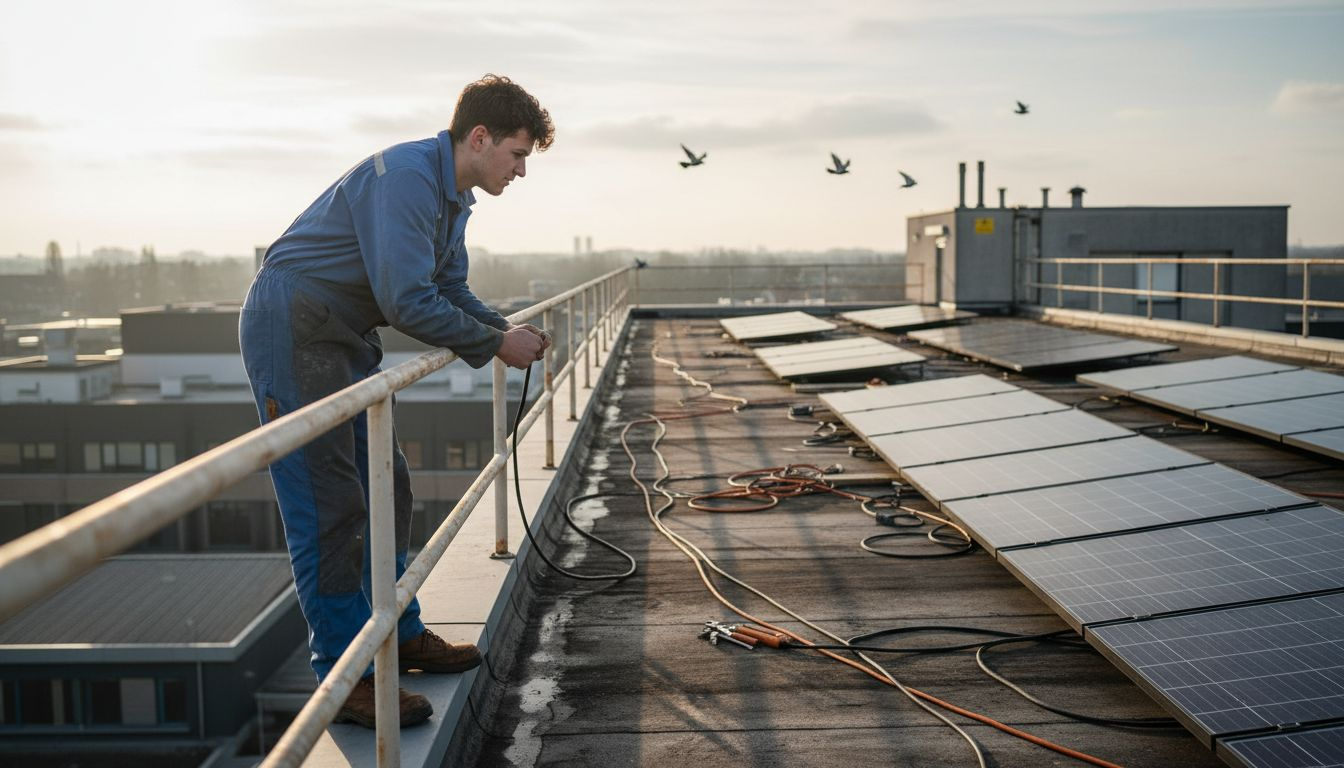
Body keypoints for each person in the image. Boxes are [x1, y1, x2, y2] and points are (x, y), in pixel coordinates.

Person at [239, 74, 554, 729]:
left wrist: (502, 330)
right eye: (518, 154)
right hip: (294, 326)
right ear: (479, 137)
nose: (523, 171)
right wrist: (496, 348)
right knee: (329, 506)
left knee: (390, 486)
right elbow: (407, 301)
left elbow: (448, 289)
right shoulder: (409, 178)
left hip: (340, 334)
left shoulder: (452, 194)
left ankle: (402, 635)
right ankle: (346, 676)